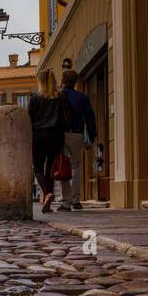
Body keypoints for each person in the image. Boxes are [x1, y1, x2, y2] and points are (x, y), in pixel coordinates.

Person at [27, 70, 67, 214]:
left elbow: (28, 119)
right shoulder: (60, 96)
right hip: (55, 136)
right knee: (50, 168)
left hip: (39, 135)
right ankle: (48, 203)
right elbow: (64, 118)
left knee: (37, 167)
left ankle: (48, 193)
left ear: (41, 81)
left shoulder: (35, 97)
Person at [57, 68, 97, 211]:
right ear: (75, 82)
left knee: (63, 167)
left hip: (61, 135)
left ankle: (66, 202)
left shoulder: (57, 97)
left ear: (62, 81)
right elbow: (90, 119)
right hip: (77, 135)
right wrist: (91, 138)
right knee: (76, 167)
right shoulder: (82, 97)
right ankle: (76, 201)